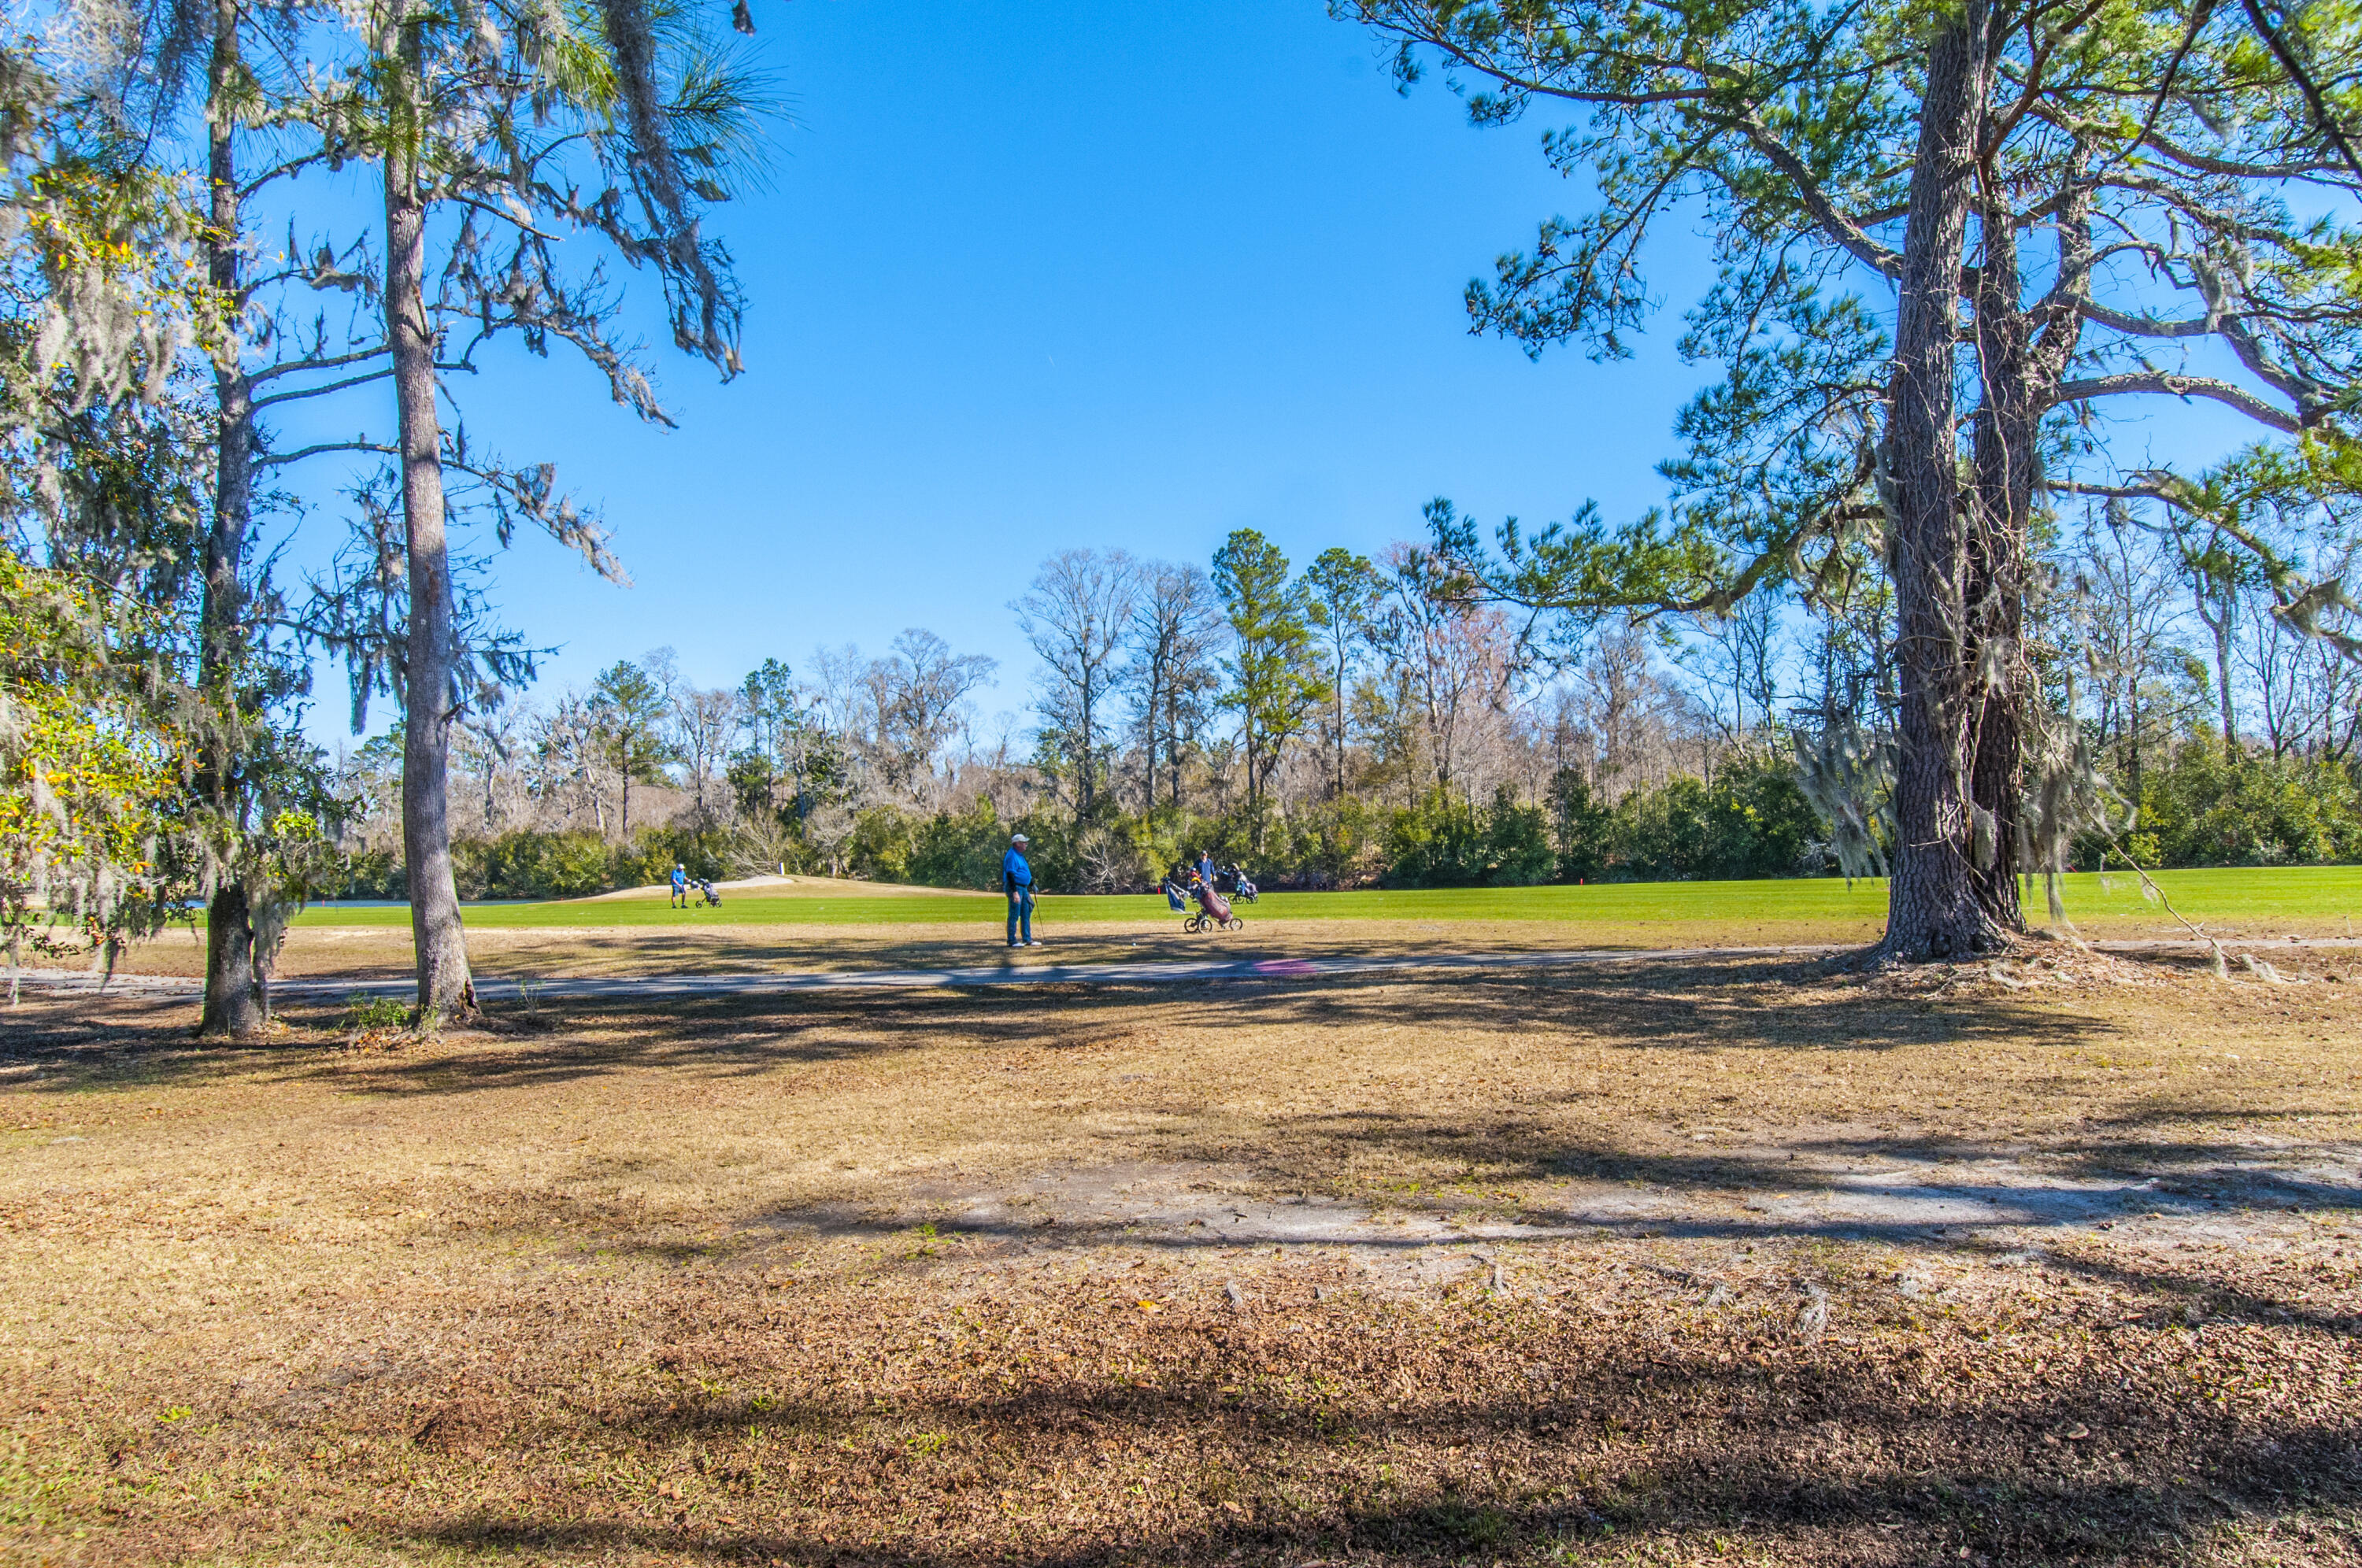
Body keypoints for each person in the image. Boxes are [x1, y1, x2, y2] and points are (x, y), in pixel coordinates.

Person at [1002, 832, 1037, 948]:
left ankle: (1027, 939)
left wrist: (1032, 883)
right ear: (1017, 844)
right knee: (1014, 914)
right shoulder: (1012, 855)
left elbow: (1024, 872)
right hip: (1015, 887)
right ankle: (1012, 941)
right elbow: (1010, 874)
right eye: (1024, 842)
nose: (1026, 844)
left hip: (1023, 887)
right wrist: (1014, 892)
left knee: (1026, 913)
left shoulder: (1020, 855)